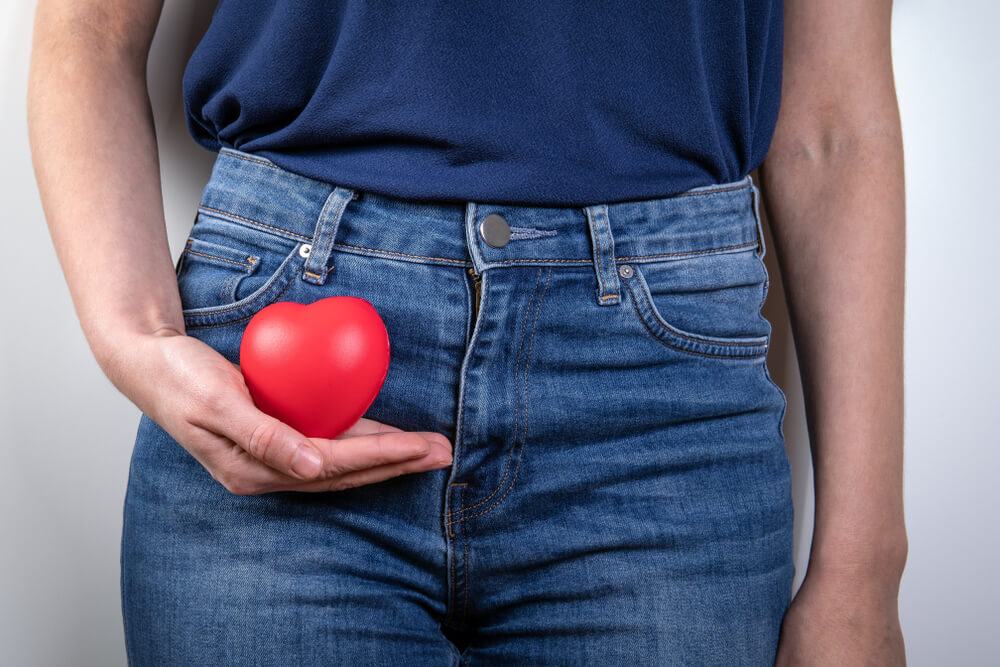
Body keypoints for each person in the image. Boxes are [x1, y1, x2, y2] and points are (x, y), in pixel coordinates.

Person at [27, 0, 908, 664]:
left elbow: (834, 128)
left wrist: (863, 576)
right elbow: (88, 30)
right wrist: (135, 340)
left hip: (660, 417)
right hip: (282, 368)